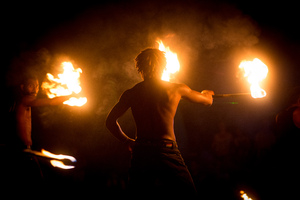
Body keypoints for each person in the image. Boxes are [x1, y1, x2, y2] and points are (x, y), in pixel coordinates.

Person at [106, 48, 214, 197]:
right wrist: (207, 94)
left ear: (139, 68)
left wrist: (127, 141)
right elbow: (207, 102)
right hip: (166, 151)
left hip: (141, 153)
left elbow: (110, 121)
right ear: (164, 66)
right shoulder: (176, 89)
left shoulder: (131, 93)